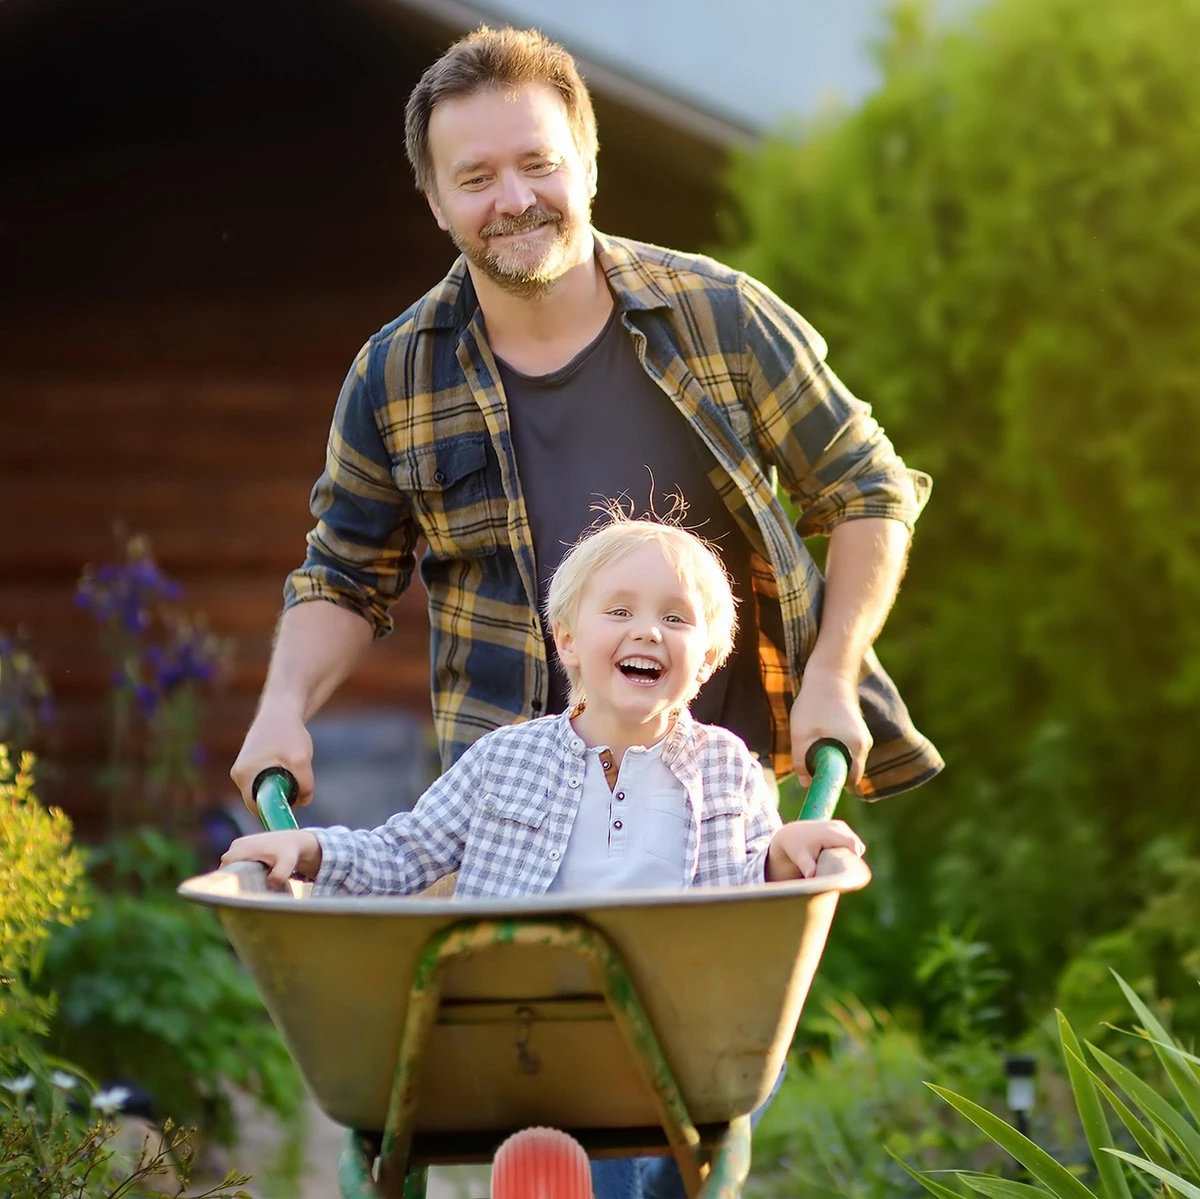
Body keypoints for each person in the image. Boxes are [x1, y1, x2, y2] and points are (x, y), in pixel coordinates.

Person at [230, 23, 942, 820]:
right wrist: (281, 706)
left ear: (590, 165)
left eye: (539, 163)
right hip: (511, 819)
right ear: (436, 204)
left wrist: (833, 675)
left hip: (720, 810)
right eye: (476, 178)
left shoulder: (719, 317)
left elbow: (866, 489)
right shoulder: (395, 375)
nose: (514, 199)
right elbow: (342, 576)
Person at [222, 513, 866, 1199]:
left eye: (677, 619)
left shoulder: (727, 768)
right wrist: (312, 848)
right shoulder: (506, 759)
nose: (648, 630)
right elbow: (403, 853)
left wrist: (783, 856)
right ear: (568, 639)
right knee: (599, 1120)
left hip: (680, 1036)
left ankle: (644, 1184)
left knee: (735, 1079)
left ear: (707, 657)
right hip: (522, 1032)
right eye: (619, 610)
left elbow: (747, 905)